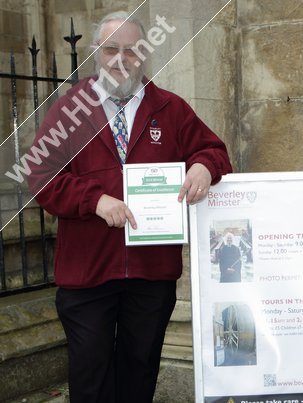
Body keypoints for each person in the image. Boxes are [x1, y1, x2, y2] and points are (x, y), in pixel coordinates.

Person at [28, 11, 232, 403]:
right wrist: (94, 200)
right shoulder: (70, 110)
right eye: (111, 50)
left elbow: (213, 150)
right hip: (87, 273)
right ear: (96, 55)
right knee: (91, 377)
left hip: (151, 272)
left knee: (140, 372)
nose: (121, 59)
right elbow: (40, 174)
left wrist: (205, 168)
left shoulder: (170, 108)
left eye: (132, 50)